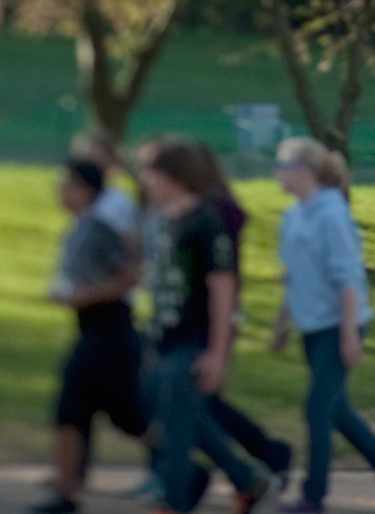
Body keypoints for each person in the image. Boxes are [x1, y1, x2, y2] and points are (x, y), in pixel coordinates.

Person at [268, 137, 375, 514]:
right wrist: (281, 324)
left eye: (282, 165)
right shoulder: (293, 215)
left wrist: (349, 334)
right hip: (311, 328)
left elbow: (348, 279)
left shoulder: (332, 214)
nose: (276, 173)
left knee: (317, 410)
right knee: (336, 410)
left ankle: (314, 497)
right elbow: (293, 275)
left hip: (338, 327)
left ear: (303, 171)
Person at [138, 136, 270, 514]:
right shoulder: (165, 220)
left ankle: (172, 503)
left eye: (152, 175)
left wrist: (217, 352)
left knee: (178, 428)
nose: (145, 183)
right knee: (181, 416)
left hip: (194, 340)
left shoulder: (206, 222)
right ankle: (247, 479)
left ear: (173, 176)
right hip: (162, 337)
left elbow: (222, 290)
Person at [158, 137, 296, 495]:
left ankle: (256, 462)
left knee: (195, 401)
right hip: (185, 324)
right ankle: (249, 468)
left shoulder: (215, 213)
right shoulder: (181, 211)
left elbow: (223, 276)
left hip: (212, 319)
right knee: (191, 401)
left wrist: (223, 338)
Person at [39, 156, 145, 514]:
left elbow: (131, 273)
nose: (60, 191)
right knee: (69, 410)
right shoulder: (79, 227)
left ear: (86, 190)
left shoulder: (101, 230)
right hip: (88, 332)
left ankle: (188, 468)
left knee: (130, 417)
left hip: (111, 332)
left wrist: (84, 295)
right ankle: (65, 494)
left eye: (67, 185)